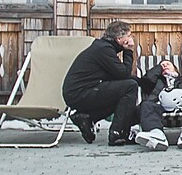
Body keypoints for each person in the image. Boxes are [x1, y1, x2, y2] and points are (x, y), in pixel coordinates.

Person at [63, 21, 166, 149]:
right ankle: (118, 132)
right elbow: (124, 74)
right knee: (130, 87)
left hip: (79, 92)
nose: (131, 38)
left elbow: (117, 76)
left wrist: (144, 83)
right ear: (119, 39)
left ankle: (87, 118)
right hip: (79, 93)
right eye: (129, 35)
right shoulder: (104, 50)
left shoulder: (103, 47)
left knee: (124, 91)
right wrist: (128, 51)